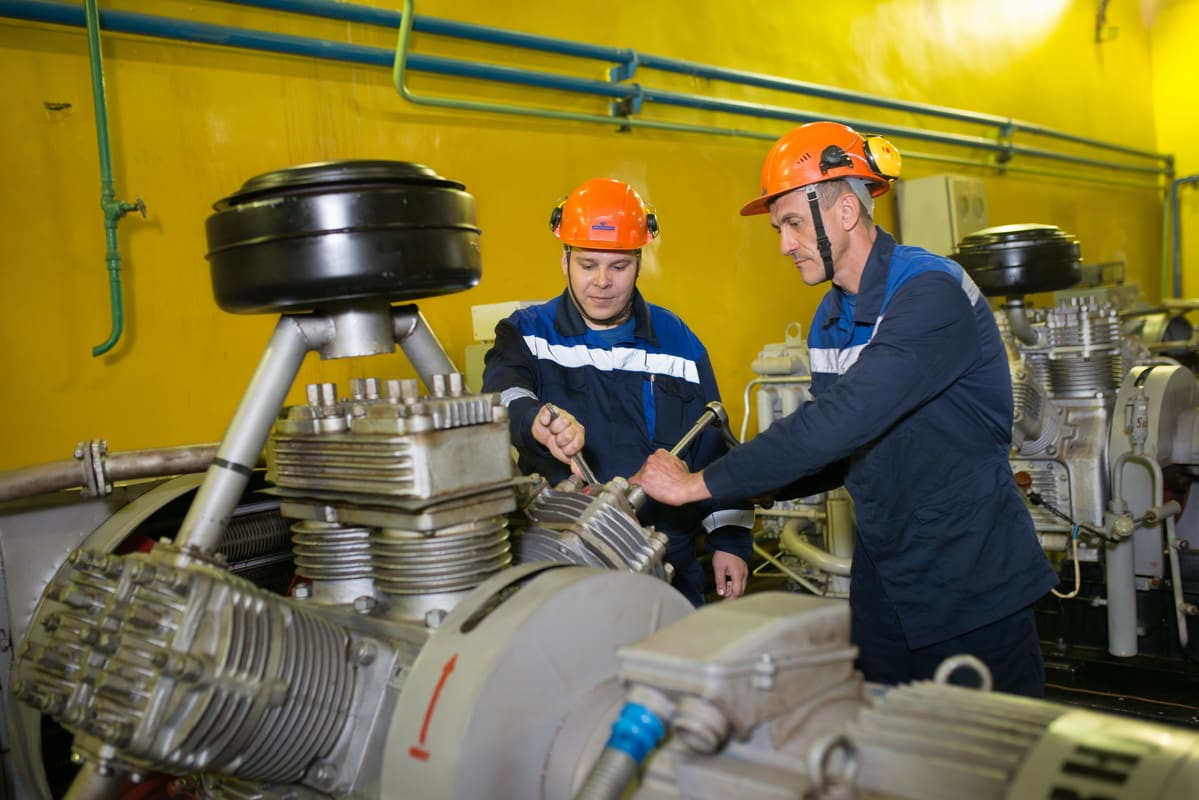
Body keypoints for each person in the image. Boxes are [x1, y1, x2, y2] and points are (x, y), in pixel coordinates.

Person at [632, 122, 1058, 696]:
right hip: (885, 581)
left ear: (846, 212)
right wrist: (753, 483)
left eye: (792, 223)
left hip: (970, 577)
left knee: (992, 745)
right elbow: (836, 451)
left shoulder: (929, 291)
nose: (784, 245)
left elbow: (841, 420)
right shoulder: (830, 319)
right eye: (779, 228)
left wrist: (696, 485)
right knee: (880, 739)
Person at [482, 178, 754, 607]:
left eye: (619, 266)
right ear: (564, 260)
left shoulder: (677, 342)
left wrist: (730, 540)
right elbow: (503, 394)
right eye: (588, 264)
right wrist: (536, 421)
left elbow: (712, 450)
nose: (602, 281)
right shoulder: (528, 334)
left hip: (665, 561)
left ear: (639, 262)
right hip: (561, 557)